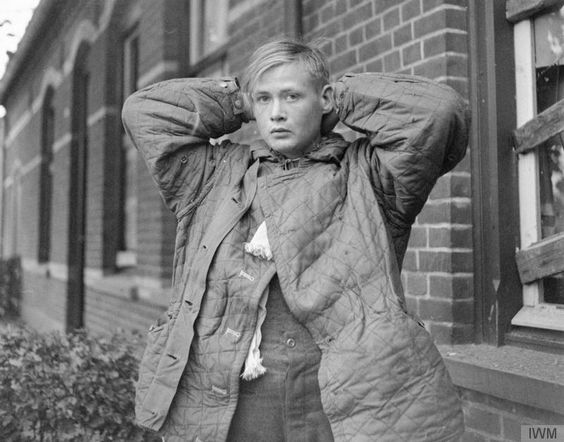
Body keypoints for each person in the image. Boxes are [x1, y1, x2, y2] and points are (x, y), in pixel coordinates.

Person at [122, 38, 469, 442]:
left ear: (322, 100)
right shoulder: (212, 177)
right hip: (233, 405)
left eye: (291, 96)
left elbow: (438, 112)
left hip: (338, 400)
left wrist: (336, 98)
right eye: (265, 100)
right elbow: (143, 112)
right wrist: (238, 99)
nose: (277, 114)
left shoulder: (371, 176)